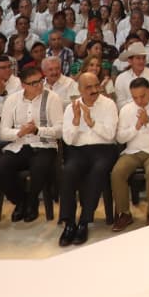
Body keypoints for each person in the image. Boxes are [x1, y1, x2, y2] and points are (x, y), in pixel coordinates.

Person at [0, 65, 62, 223]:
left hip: (44, 145)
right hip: (19, 145)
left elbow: (59, 130)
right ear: (23, 85)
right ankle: (21, 201)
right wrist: (19, 132)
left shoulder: (52, 98)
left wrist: (37, 130)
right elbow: (2, 132)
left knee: (39, 167)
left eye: (40, 81)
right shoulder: (12, 100)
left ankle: (31, 203)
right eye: (33, 83)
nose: (39, 85)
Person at [59, 71, 119, 246]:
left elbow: (110, 134)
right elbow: (68, 140)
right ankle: (69, 223)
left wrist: (91, 122)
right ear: (80, 90)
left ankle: (84, 221)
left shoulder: (108, 104)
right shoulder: (71, 108)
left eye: (96, 85)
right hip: (78, 150)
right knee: (68, 171)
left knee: (98, 171)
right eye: (89, 87)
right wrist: (77, 121)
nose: (94, 90)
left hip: (104, 149)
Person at [110, 78, 149, 231]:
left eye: (142, 96)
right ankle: (125, 214)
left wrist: (148, 123)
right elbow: (120, 138)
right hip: (133, 151)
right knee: (117, 172)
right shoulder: (126, 109)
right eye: (135, 97)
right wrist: (136, 127)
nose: (139, 101)